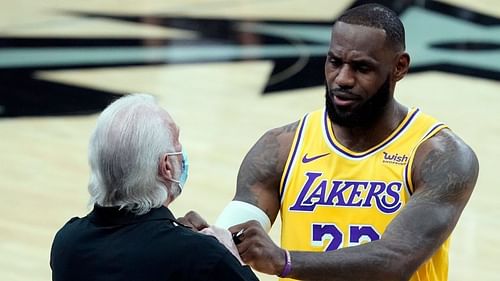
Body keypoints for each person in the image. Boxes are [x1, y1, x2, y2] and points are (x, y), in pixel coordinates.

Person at [211, 3, 479, 281]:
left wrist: (285, 261)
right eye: (335, 62)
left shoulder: (438, 155)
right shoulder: (280, 147)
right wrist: (201, 240)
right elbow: (230, 242)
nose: (343, 79)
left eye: (362, 67)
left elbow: (397, 259)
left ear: (399, 67)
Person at [50, 94, 258, 281]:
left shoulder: (67, 242)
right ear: (167, 167)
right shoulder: (200, 257)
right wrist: (231, 258)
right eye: (177, 144)